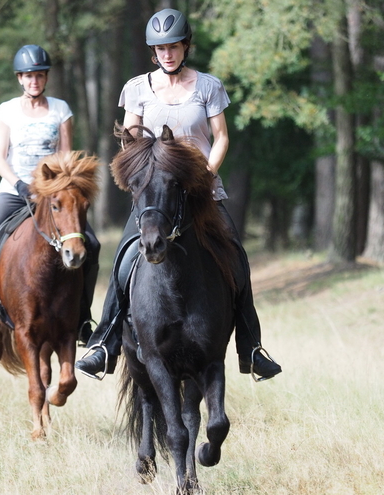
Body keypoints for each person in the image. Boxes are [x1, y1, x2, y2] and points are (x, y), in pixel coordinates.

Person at [75, 9, 281, 381]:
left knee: (236, 257)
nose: (167, 53)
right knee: (124, 259)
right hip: (156, 196)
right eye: (160, 49)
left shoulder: (208, 86)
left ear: (185, 46)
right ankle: (105, 342)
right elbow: (131, 141)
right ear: (153, 52)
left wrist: (205, 174)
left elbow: (221, 138)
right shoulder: (136, 88)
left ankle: (251, 347)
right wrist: (143, 170)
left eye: (173, 46)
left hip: (203, 194)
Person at [0, 44, 100, 345]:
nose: (34, 81)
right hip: (14, 191)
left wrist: (55, 188)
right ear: (19, 79)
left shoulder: (61, 110)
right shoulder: (7, 111)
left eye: (39, 75)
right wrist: (20, 184)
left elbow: (65, 157)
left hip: (52, 195)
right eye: (28, 76)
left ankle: (82, 318)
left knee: (92, 243)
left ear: (46, 78)